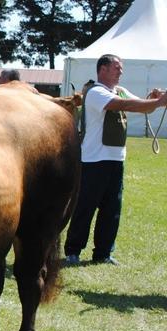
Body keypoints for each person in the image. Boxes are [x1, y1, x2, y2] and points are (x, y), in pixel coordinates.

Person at [64, 54, 167, 265]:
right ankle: (73, 251)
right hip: (93, 161)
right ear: (102, 69)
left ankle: (103, 253)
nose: (121, 71)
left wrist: (155, 99)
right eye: (116, 67)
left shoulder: (118, 90)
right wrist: (157, 101)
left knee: (112, 210)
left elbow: (141, 105)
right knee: (85, 207)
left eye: (120, 68)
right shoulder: (95, 92)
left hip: (115, 160)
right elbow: (124, 105)